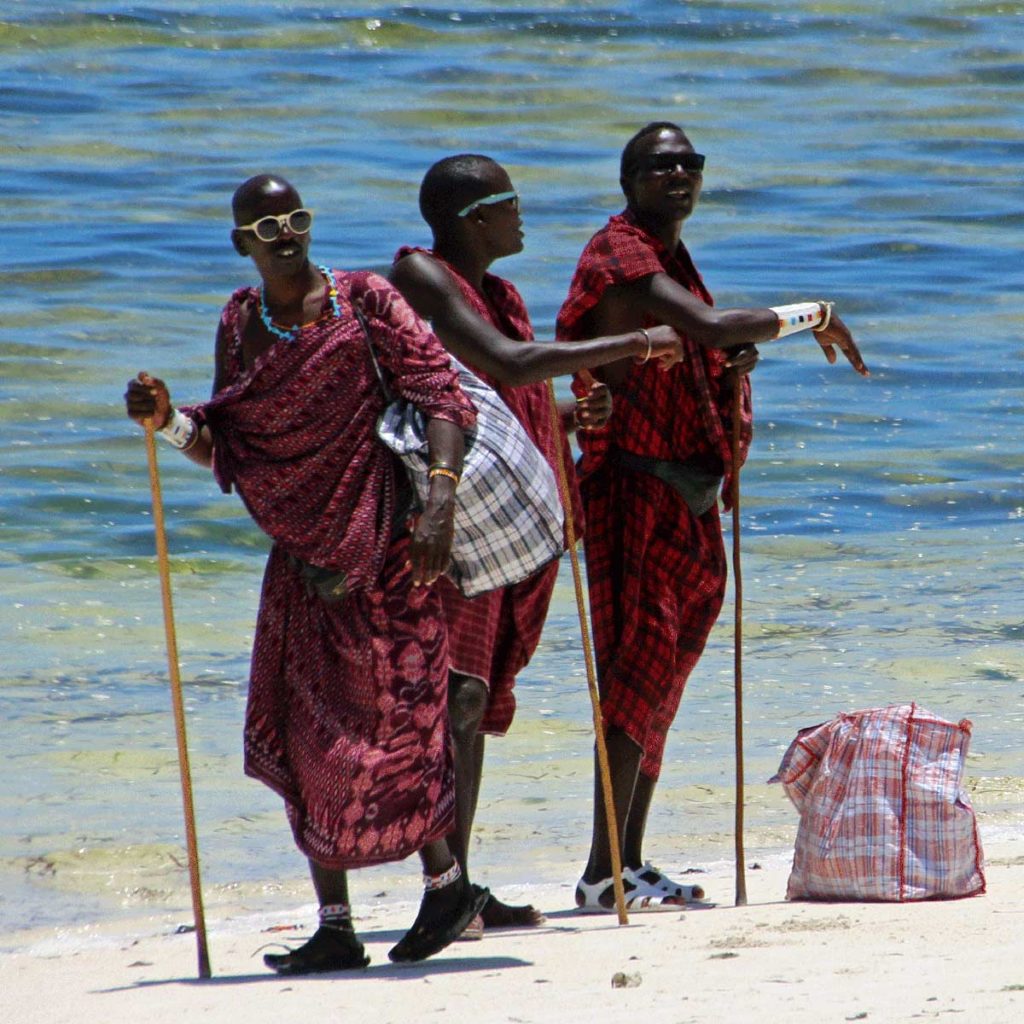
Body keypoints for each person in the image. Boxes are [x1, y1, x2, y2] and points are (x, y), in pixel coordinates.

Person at [125, 174, 490, 971]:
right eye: (267, 224)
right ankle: (336, 925)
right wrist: (167, 422)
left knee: (401, 727)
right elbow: (234, 447)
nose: (285, 233)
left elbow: (442, 395)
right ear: (243, 243)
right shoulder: (239, 324)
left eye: (295, 219)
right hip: (301, 561)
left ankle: (449, 887)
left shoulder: (365, 302)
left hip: (393, 547)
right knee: (307, 734)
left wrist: (439, 502)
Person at [555, 122, 869, 911]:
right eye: (661, 166)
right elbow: (711, 327)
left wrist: (727, 363)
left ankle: (630, 859)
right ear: (628, 180)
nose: (680, 175)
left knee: (662, 680)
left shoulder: (670, 259)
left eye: (690, 164)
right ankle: (603, 872)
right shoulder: (618, 254)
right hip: (633, 487)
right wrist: (812, 313)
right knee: (632, 674)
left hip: (687, 497)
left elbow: (706, 344)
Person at [388, 154, 685, 932]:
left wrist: (557, 421)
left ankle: (460, 887)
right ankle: (444, 887)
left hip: (498, 518)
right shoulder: (423, 277)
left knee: (475, 702)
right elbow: (505, 363)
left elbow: (498, 396)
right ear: (473, 218)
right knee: (457, 697)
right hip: (443, 518)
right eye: (510, 204)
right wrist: (631, 347)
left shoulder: (502, 292)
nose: (523, 217)